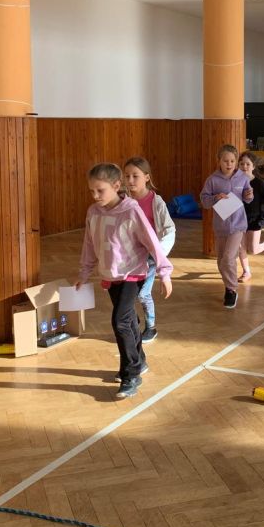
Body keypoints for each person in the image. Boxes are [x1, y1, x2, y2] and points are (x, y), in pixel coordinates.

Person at [76, 163, 173, 398]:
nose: (95, 196)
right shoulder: (93, 212)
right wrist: (84, 273)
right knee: (128, 320)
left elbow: (152, 242)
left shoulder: (131, 211)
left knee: (120, 321)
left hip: (133, 273)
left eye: (100, 190)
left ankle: (130, 375)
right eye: (91, 191)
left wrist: (164, 272)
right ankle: (139, 361)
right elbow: (89, 244)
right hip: (110, 275)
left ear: (116, 186)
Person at [123, 157, 176, 343]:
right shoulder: (124, 201)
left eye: (135, 176)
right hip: (130, 257)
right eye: (127, 176)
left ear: (146, 177)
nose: (130, 180)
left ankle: (151, 327)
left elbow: (169, 229)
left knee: (143, 293)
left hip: (151, 257)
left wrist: (159, 253)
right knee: (126, 293)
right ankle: (132, 321)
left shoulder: (156, 202)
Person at [200, 144, 254, 309]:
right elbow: (204, 201)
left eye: (232, 161)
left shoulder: (243, 178)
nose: (229, 164)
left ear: (236, 161)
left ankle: (231, 290)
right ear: (219, 161)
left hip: (238, 225)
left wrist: (249, 195)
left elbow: (248, 198)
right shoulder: (212, 180)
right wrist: (216, 198)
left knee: (229, 258)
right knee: (221, 261)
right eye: (225, 161)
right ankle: (228, 285)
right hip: (221, 226)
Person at [237, 153, 264, 281]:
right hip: (239, 220)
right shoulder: (236, 182)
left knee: (252, 250)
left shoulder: (258, 183)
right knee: (241, 247)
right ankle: (246, 272)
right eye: (242, 164)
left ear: (253, 166)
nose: (244, 166)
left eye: (247, 164)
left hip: (255, 220)